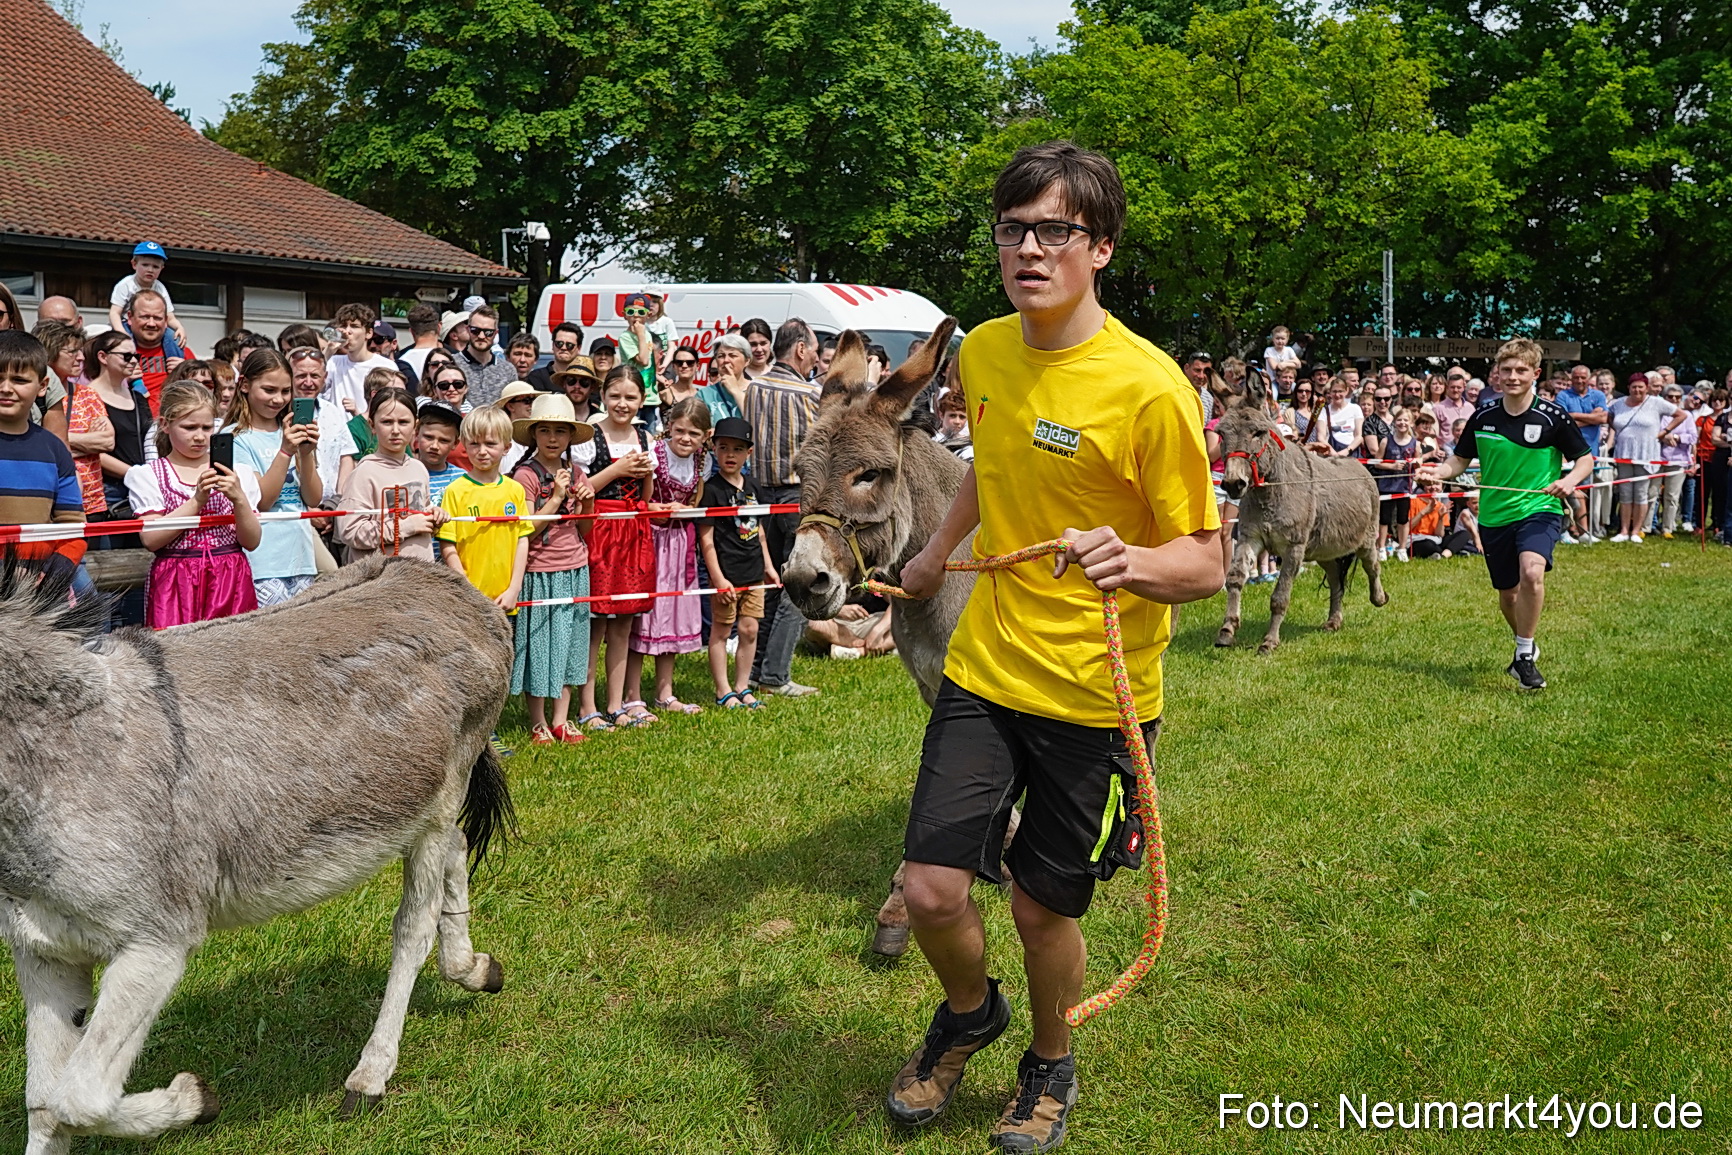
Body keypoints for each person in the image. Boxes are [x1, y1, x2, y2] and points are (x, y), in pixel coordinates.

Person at [886, 141, 1222, 1153]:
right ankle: (967, 1014)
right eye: (1012, 229)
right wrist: (935, 556)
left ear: (1100, 247)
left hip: (1094, 700)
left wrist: (1130, 561)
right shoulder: (985, 351)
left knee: (1041, 912)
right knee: (931, 886)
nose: (1028, 248)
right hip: (986, 669)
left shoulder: (1149, 390)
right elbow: (993, 465)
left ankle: (1048, 1062)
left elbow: (1204, 562)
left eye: (1054, 231)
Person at [1416, 339, 1591, 690]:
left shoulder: (1553, 417)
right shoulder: (1483, 416)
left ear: (1535, 374)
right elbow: (1460, 461)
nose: (1513, 376)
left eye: (1521, 370)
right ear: (1497, 374)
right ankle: (1525, 643)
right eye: (1506, 370)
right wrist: (1439, 472)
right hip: (1494, 516)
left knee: (1532, 573)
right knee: (1508, 595)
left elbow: (1585, 459)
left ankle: (1523, 657)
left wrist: (1568, 482)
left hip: (1538, 509)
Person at [438, 404, 536, 758]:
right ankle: (474, 736)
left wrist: (513, 587)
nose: (482, 451)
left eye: (490, 444)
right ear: (464, 445)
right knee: (470, 666)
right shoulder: (456, 491)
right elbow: (447, 542)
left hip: (503, 598)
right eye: (475, 444)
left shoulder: (512, 492)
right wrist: (463, 584)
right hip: (469, 599)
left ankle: (488, 731)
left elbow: (523, 538)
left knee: (498, 666)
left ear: (507, 447)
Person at [128, 382, 262, 627]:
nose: (200, 436)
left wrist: (239, 499)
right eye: (189, 427)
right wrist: (197, 500)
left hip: (229, 576)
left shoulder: (237, 472)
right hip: (175, 578)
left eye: (207, 427)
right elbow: (151, 539)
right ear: (166, 425)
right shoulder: (150, 474)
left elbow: (251, 541)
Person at [509, 392, 597, 746]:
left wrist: (587, 503)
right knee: (540, 645)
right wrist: (557, 498)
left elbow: (585, 529)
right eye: (544, 430)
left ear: (570, 438)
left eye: (560, 431)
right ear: (534, 435)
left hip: (574, 566)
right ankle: (538, 721)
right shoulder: (525, 475)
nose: (552, 438)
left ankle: (563, 719)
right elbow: (528, 526)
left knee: (571, 644)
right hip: (539, 570)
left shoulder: (577, 471)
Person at [743, 317, 822, 698]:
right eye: (814, 353)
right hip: (795, 497)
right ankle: (776, 675)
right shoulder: (810, 395)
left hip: (759, 495)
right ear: (801, 349)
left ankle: (757, 670)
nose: (816, 362)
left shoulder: (753, 388)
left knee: (771, 584)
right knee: (797, 588)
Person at [582, 367, 658, 729]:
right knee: (594, 625)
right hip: (601, 531)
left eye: (630, 397)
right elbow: (584, 489)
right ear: (603, 398)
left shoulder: (645, 439)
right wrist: (618, 468)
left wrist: (644, 475)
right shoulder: (590, 438)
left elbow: (647, 497)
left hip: (634, 533)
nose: (622, 404)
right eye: (615, 396)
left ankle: (616, 703)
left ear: (642, 400)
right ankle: (586, 705)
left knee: (623, 625)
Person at [628, 397, 710, 715]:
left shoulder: (699, 460)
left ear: (704, 436)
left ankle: (665, 692)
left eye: (693, 433)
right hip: (652, 540)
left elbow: (696, 500)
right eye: (680, 431)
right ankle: (632, 694)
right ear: (669, 428)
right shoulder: (655, 456)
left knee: (672, 617)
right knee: (644, 619)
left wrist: (687, 510)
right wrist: (660, 511)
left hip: (680, 545)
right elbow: (642, 501)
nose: (686, 439)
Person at [225, 348, 323, 605]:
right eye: (269, 390)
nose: (278, 399)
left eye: (285, 391)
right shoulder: (235, 437)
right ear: (244, 385)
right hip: (262, 563)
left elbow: (313, 498)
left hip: (301, 557)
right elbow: (261, 502)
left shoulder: (291, 431)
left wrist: (306, 454)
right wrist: (285, 452)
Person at [0, 331, 87, 590]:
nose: (6, 388)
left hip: (40, 579)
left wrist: (54, 574)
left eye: (19, 379)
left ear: (42, 386)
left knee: (94, 613)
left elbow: (72, 525)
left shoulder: (55, 451)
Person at [698, 416, 774, 709]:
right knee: (720, 630)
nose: (730, 455)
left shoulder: (754, 487)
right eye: (724, 447)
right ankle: (723, 690)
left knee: (750, 629)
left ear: (748, 453)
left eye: (738, 449)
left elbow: (760, 531)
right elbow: (706, 540)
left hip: (753, 571)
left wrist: (767, 565)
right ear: (714, 449)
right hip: (726, 575)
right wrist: (718, 578)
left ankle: (743, 686)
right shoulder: (711, 490)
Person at [339, 388, 440, 563]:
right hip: (380, 579)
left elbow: (421, 513)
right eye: (386, 422)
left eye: (403, 422)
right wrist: (403, 527)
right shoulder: (364, 472)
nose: (395, 430)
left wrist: (433, 516)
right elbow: (350, 531)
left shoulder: (419, 468)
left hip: (421, 577)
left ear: (415, 426)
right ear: (372, 425)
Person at [1606, 372, 1684, 543]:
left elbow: (1681, 415)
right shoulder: (1618, 404)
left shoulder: (1656, 403)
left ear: (1646, 388)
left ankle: (1636, 530)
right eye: (1634, 387)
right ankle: (1624, 530)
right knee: (1625, 493)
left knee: (1641, 493)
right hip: (1623, 454)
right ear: (1629, 388)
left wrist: (1664, 432)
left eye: (1641, 387)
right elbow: (1610, 418)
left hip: (1646, 454)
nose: (1637, 390)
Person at [287, 346, 359, 500]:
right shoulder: (279, 414)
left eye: (314, 375)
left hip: (331, 509)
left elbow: (345, 456)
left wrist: (338, 500)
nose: (308, 382)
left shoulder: (332, 412)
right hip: (296, 508)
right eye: (301, 376)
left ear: (324, 377)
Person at [109, 241, 190, 349]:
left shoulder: (160, 288)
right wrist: (121, 332)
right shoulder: (125, 285)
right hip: (126, 323)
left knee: (173, 337)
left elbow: (170, 317)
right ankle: (130, 363)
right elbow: (114, 313)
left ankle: (176, 363)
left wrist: (179, 327)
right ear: (134, 264)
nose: (150, 270)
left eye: (155, 267)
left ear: (162, 269)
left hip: (152, 325)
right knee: (123, 343)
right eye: (145, 265)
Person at [323, 303, 397, 415]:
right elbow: (316, 387)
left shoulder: (386, 366)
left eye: (354, 326)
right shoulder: (333, 362)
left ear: (368, 333)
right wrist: (329, 351)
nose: (347, 331)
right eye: (343, 326)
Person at [124, 290, 182, 414]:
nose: (151, 323)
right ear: (130, 317)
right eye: (144, 317)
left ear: (166, 320)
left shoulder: (181, 353)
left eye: (157, 318)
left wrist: (186, 374)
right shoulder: (114, 357)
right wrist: (121, 379)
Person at [1374, 407, 1419, 561]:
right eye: (1399, 420)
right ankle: (1381, 547)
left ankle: (1402, 548)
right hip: (1387, 485)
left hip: (1404, 486)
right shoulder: (1386, 441)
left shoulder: (1415, 443)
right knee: (1384, 518)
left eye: (1406, 420)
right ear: (1394, 422)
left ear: (1411, 423)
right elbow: (1377, 463)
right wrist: (1391, 466)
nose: (1402, 423)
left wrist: (1417, 464)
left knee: (1403, 518)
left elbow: (1417, 462)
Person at [28, 319, 78, 442]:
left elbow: (107, 441)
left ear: (43, 386)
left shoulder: (89, 395)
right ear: (51, 351)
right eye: (72, 352)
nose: (81, 357)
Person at [457, 305, 516, 407]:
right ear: (468, 329)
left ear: (496, 333)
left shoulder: (508, 370)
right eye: (475, 330)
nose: (481, 336)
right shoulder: (452, 364)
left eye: (488, 332)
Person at [1657, 382, 1696, 537]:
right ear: (1664, 398)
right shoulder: (1659, 414)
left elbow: (1693, 437)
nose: (1674, 399)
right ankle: (1646, 527)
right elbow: (1652, 432)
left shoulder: (1687, 416)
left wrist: (1676, 437)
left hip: (1678, 459)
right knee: (1651, 493)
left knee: (1672, 496)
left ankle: (1667, 528)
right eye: (1670, 396)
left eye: (1677, 397)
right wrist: (1664, 437)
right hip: (1657, 457)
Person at [617, 292, 663, 408]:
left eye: (641, 312)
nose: (636, 316)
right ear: (624, 315)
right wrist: (640, 335)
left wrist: (658, 377)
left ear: (648, 315)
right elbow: (643, 361)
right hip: (633, 396)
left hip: (650, 396)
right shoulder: (625, 337)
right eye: (631, 312)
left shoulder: (647, 334)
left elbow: (649, 363)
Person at [697, 334, 750, 426]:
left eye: (732, 355)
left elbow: (758, 423)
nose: (726, 360)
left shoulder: (758, 390)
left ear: (747, 361)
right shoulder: (704, 395)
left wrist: (735, 390)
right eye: (721, 356)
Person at [1307, 378, 1363, 457]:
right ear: (1330, 392)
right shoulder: (1324, 411)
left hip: (1352, 451)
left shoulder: (1355, 408)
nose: (1337, 395)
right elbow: (1320, 437)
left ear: (1346, 391)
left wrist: (1347, 450)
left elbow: (1359, 436)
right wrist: (1334, 453)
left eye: (1340, 391)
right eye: (1334, 391)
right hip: (1332, 451)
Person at [528, 322, 585, 392]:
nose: (564, 348)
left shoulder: (585, 379)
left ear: (579, 348)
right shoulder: (536, 377)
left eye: (569, 345)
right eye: (559, 344)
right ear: (552, 345)